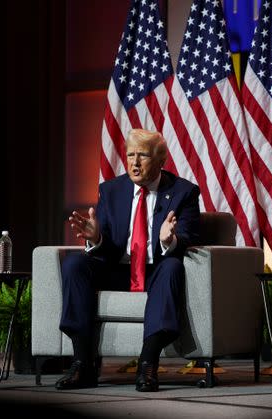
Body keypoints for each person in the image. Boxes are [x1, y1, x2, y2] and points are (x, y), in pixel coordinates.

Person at [55, 128, 200, 392]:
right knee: (75, 264)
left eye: (142, 155)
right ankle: (81, 363)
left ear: (161, 159)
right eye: (130, 155)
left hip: (156, 269)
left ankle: (148, 363)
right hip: (118, 269)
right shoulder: (111, 190)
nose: (134, 162)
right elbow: (107, 246)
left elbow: (188, 235)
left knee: (172, 267)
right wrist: (96, 238)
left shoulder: (183, 192)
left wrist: (169, 240)